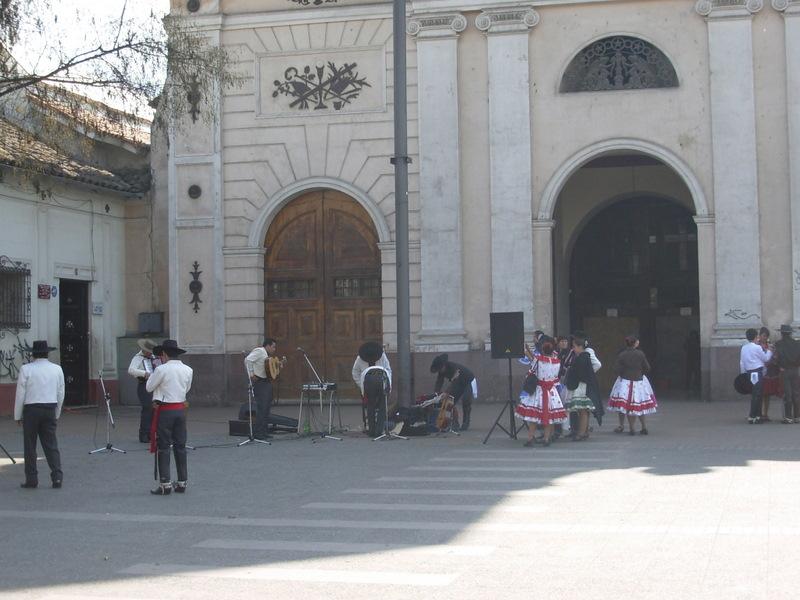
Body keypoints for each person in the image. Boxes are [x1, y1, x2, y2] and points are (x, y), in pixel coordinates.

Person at [14, 340, 65, 489]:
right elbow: (61, 393)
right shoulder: (57, 369)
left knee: (30, 445)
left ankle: (32, 479)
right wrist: (57, 412)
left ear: (33, 354)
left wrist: (17, 415)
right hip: (50, 408)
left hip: (31, 410)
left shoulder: (26, 369)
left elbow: (20, 394)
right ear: (47, 353)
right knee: (51, 444)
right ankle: (57, 477)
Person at [146, 339, 193, 495]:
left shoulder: (161, 370)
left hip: (165, 410)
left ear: (165, 354)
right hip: (180, 409)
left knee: (164, 445)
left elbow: (149, 387)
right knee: (180, 445)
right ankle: (182, 482)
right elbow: (186, 389)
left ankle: (165, 483)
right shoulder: (188, 369)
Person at [515, 337, 568, 447]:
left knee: (533, 416)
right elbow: (555, 378)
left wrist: (527, 350)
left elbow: (532, 370)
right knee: (549, 416)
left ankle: (530, 438)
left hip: (539, 389)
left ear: (543, 350)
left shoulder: (538, 360)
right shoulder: (557, 362)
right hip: (551, 390)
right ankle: (546, 438)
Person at [608, 334, 658, 435]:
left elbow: (616, 369)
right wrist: (640, 372)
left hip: (624, 382)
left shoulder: (622, 355)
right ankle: (643, 427)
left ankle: (628, 427)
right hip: (639, 381)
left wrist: (623, 373)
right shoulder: (640, 354)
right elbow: (647, 368)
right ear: (635, 343)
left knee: (625, 405)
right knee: (639, 405)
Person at [244, 337, 285, 440]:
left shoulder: (267, 356)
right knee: (262, 408)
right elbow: (247, 360)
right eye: (273, 347)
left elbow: (269, 370)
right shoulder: (260, 351)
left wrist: (279, 365)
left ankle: (264, 431)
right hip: (260, 382)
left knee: (266, 408)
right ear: (267, 346)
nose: (274, 349)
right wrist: (251, 374)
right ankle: (258, 432)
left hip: (266, 382)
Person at [564, 335, 601, 441]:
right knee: (583, 410)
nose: (573, 349)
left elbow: (582, 373)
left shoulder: (583, 357)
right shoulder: (583, 356)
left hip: (581, 387)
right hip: (582, 385)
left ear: (580, 347)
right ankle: (584, 431)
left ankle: (581, 433)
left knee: (583, 410)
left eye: (574, 346)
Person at [353, 341, 392, 436]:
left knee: (377, 406)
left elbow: (388, 370)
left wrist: (387, 386)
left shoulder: (382, 356)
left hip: (380, 383)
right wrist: (361, 385)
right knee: (373, 406)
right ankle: (374, 430)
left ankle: (376, 430)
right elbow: (355, 372)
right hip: (370, 384)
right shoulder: (360, 359)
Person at [430, 354, 475, 431]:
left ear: (444, 365)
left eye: (440, 369)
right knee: (450, 402)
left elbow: (454, 382)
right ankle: (454, 423)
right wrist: (436, 393)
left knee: (466, 400)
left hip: (468, 381)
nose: (440, 371)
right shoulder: (441, 372)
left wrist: (446, 392)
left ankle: (466, 422)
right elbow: (439, 382)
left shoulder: (454, 368)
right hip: (459, 384)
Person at [127, 338, 160, 443]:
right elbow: (131, 370)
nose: (150, 354)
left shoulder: (155, 357)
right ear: (144, 350)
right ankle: (144, 434)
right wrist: (144, 373)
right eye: (149, 352)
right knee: (147, 409)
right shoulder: (138, 358)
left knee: (155, 409)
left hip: (154, 385)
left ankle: (152, 433)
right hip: (143, 384)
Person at [739, 328, 772, 424]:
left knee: (755, 394)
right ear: (755, 337)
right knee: (757, 394)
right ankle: (753, 416)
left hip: (748, 372)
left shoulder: (744, 347)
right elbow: (765, 358)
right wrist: (769, 350)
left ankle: (757, 415)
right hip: (757, 372)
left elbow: (742, 362)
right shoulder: (757, 347)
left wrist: (743, 373)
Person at [772, 324, 800, 423]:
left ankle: (788, 417)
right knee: (796, 393)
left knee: (787, 394)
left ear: (782, 334)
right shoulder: (797, 344)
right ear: (790, 333)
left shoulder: (778, 344)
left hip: (785, 371)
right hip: (795, 370)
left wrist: (780, 366)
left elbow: (775, 358)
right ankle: (797, 417)